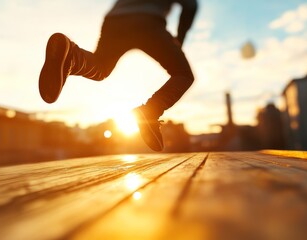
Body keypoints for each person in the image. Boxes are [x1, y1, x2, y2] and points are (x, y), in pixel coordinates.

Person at [39, 0, 198, 151]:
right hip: (147, 22)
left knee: (100, 67)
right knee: (183, 74)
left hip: (114, 20)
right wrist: (179, 41)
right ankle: (151, 111)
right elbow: (190, 5)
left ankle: (73, 57)